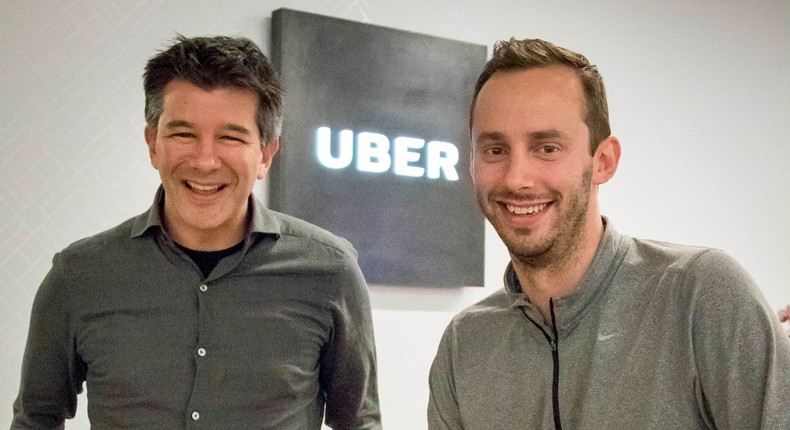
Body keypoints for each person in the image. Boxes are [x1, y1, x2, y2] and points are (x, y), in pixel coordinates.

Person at [11, 35, 381, 429]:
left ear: (266, 154)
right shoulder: (79, 275)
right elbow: (37, 419)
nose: (205, 161)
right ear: (153, 144)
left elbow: (359, 423)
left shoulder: (330, 272)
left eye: (231, 137)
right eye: (183, 134)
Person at [427, 38, 790, 429]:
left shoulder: (701, 295)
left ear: (603, 161)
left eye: (547, 148)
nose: (517, 178)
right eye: (495, 150)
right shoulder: (464, 345)